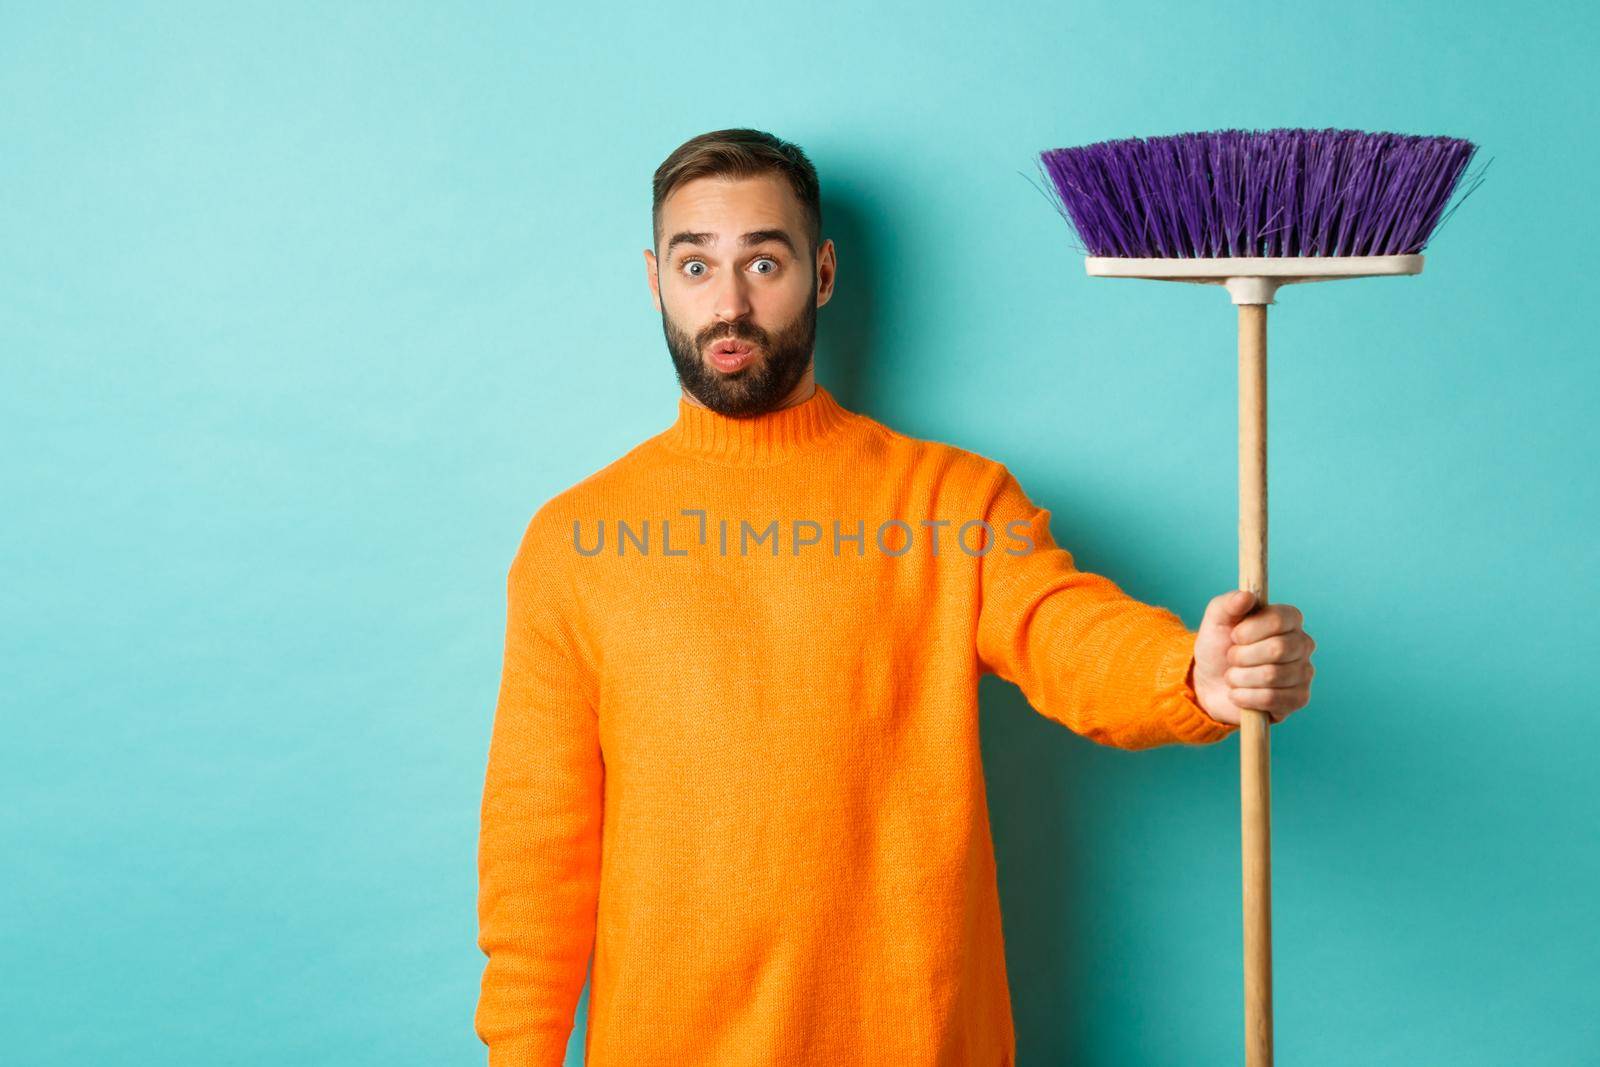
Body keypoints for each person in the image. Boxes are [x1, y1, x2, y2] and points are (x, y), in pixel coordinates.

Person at [474, 127, 1316, 1066]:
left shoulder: (949, 503)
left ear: (823, 272)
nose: (731, 304)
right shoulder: (576, 540)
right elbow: (537, 841)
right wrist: (520, 1053)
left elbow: (1064, 630)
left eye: (765, 259)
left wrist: (1192, 673)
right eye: (696, 264)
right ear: (654, 279)